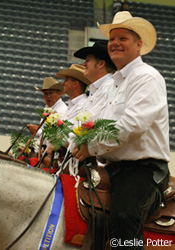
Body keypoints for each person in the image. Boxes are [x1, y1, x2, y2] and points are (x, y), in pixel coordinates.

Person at [72, 11, 170, 249]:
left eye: (123, 38)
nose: (115, 43)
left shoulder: (147, 77)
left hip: (144, 170)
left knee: (124, 217)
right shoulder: (116, 83)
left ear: (139, 45)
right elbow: (94, 124)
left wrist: (90, 147)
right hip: (113, 167)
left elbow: (132, 126)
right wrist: (79, 143)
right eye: (113, 38)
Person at [74, 40, 117, 121]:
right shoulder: (97, 89)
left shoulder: (110, 88)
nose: (84, 64)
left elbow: (92, 124)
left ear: (101, 64)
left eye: (88, 60)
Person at [27, 77, 67, 155]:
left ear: (59, 93)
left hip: (52, 155)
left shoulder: (62, 111)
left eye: (51, 93)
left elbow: (58, 137)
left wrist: (37, 132)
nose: (48, 96)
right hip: (43, 152)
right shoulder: (47, 108)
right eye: (46, 94)